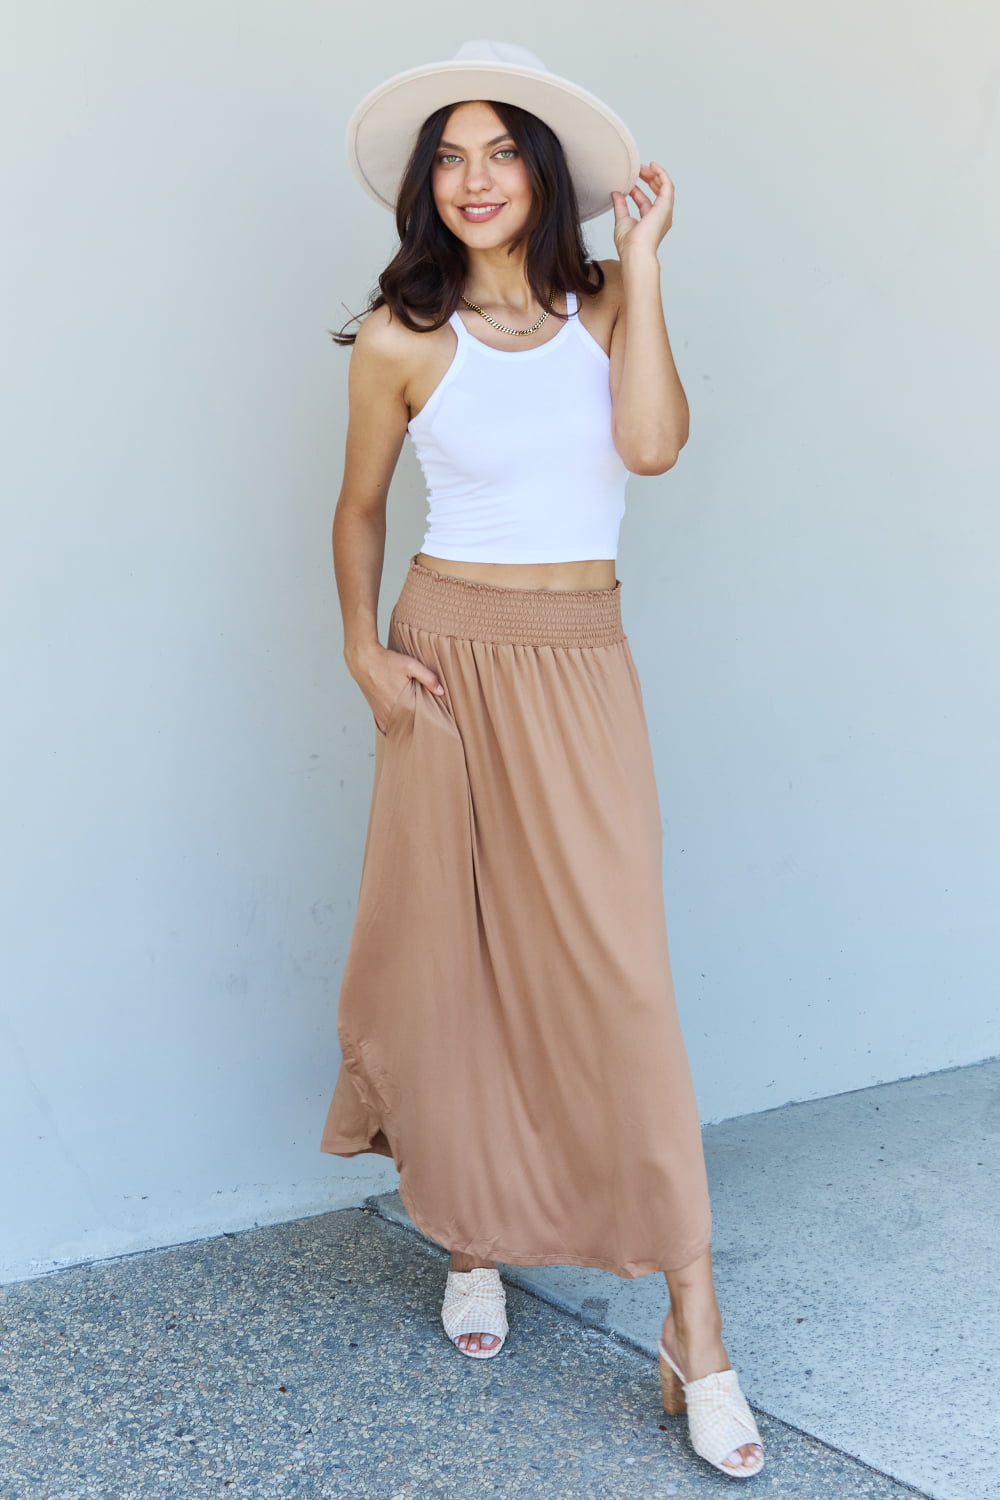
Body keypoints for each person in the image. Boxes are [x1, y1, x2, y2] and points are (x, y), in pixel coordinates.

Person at [320, 41, 765, 1480]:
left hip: (580, 660)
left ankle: (694, 1324)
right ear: (425, 187)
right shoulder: (402, 336)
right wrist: (359, 652)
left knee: (618, 975)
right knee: (461, 962)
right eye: (447, 159)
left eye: (498, 152)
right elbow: (359, 510)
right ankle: (472, 1237)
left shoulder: (602, 300)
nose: (472, 180)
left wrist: (650, 262)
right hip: (449, 660)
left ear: (541, 171)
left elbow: (651, 447)